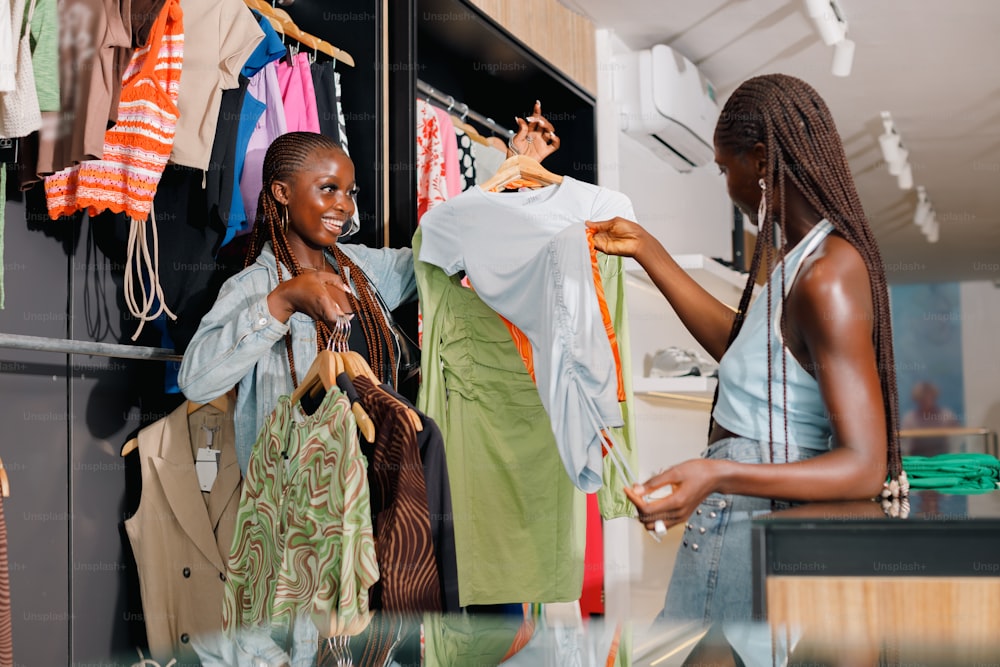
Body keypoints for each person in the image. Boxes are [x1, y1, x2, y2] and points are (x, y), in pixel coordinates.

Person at [588, 73, 905, 650]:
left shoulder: (828, 274)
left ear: (760, 162)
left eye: (723, 167)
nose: (726, 183)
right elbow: (740, 351)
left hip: (754, 519)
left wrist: (715, 474)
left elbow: (863, 464)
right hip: (741, 517)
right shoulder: (798, 263)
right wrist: (647, 250)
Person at [178, 104, 560, 475]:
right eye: (329, 189)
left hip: (381, 492)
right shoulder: (254, 287)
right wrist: (283, 301)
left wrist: (519, 168)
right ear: (282, 193)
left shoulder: (362, 268)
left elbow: (451, 250)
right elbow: (196, 380)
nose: (344, 206)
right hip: (301, 513)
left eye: (350, 192)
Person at [901, 381, 960, 456]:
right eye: (922, 397)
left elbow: (956, 440)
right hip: (918, 460)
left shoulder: (947, 416)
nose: (926, 399)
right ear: (917, 399)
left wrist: (953, 458)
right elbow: (905, 445)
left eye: (929, 396)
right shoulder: (909, 419)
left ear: (934, 396)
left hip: (943, 458)